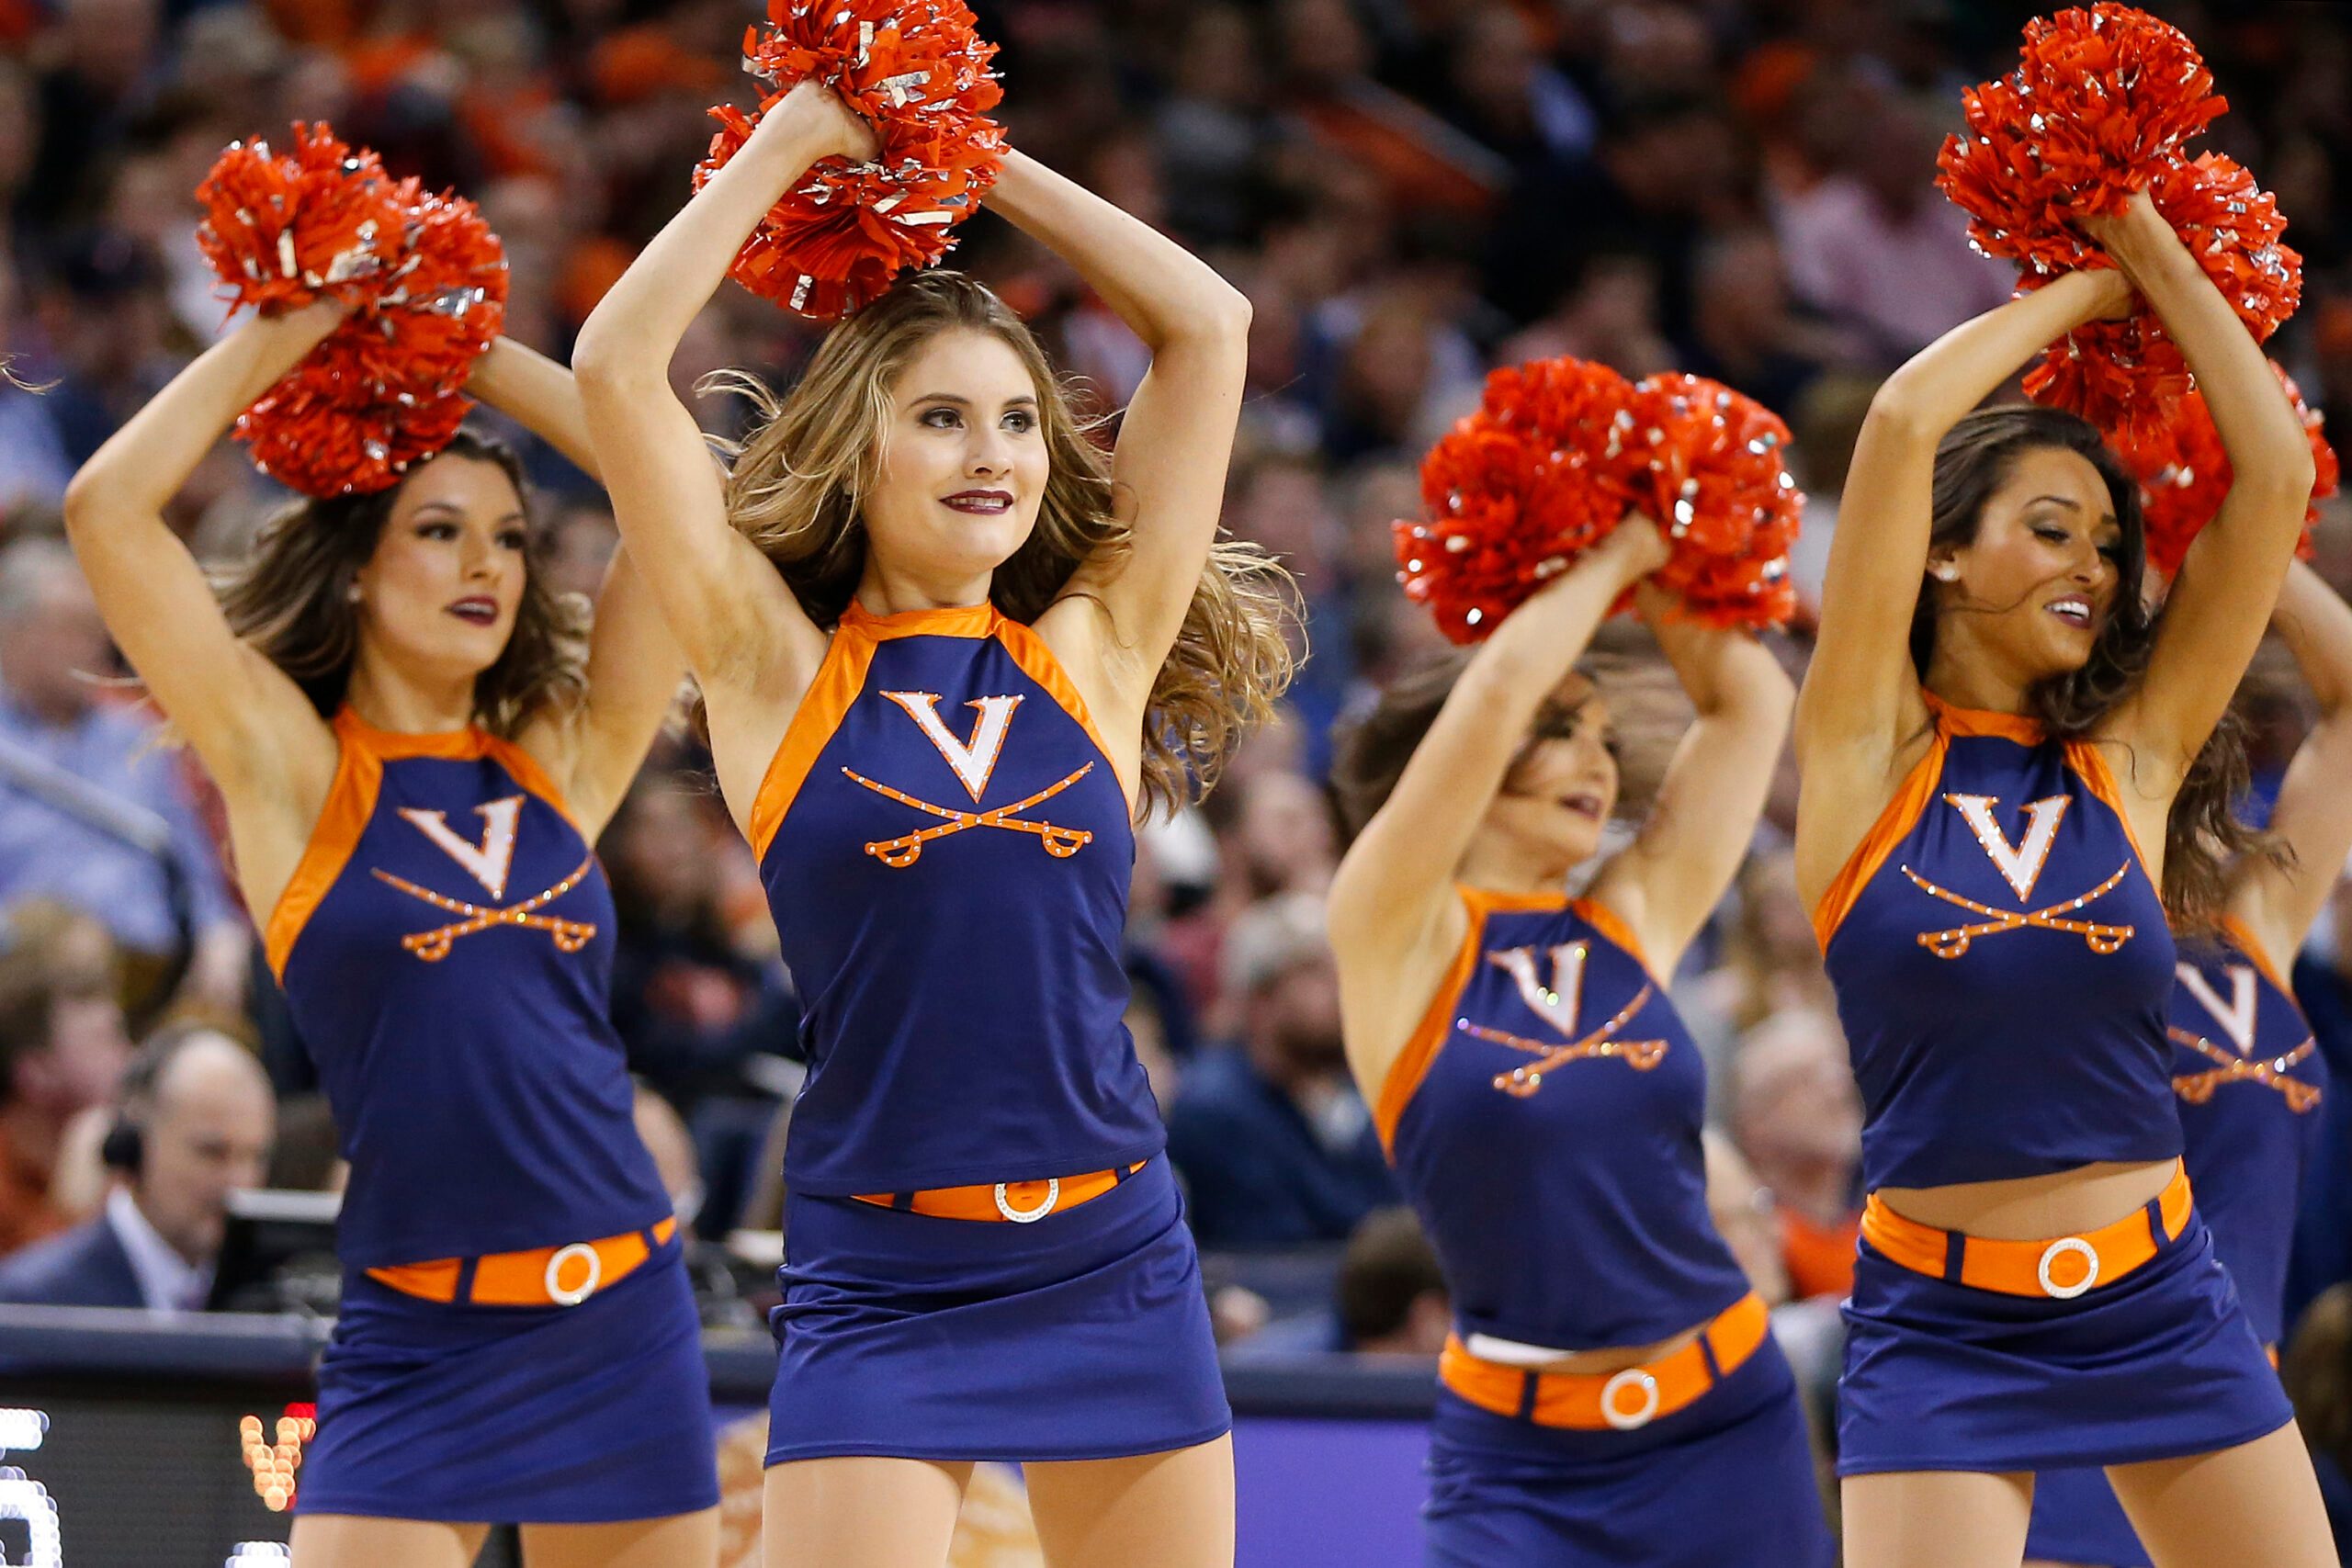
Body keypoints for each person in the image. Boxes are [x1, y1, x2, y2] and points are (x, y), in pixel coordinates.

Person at [572, 78, 1289, 1568]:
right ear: (858, 448)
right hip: (884, 1261)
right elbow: (619, 362)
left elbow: (1206, 325)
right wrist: (792, 147)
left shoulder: (1093, 648)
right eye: (944, 416)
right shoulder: (775, 665)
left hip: (1112, 1246)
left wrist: (973, 157)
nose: (996, 453)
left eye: (1022, 418)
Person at [62, 311, 718, 1566]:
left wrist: (458, 344)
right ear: (359, 561)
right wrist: (303, 325)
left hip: (623, 1321)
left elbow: (671, 472)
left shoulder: (558, 762)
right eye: (440, 528)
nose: (490, 565)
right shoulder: (295, 770)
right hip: (421, 1335)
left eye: (512, 538)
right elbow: (108, 508)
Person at [1793, 186, 2335, 1568]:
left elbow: (2272, 476)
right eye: (2049, 526)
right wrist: (2092, 293)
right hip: (1940, 1318)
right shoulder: (1864, 754)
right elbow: (1907, 425)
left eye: (2107, 540)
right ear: (1939, 548)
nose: (2093, 563)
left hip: (2162, 1294)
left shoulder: (2131, 765)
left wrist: (2163, 254)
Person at [1327, 525, 1833, 1564]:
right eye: (1563, 729)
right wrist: (1608, 551)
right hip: (1520, 1463)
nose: (1597, 761)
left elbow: (1751, 704)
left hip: (1727, 1425)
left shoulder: (1626, 917)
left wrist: (1680, 564)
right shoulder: (1390, 933)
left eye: (1604, 736)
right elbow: (1500, 686)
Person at [2025, 563, 2352, 1566]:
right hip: (2081, 1402)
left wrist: (2235, 533)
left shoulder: (2252, 931)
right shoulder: (2031, 946)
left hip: (2236, 1407)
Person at [0, 537, 249, 1018]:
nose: (98, 647)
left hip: (152, 971)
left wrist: (220, 934)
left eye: (98, 629)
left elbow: (189, 864)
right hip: (29, 983)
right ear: (15, 636)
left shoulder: (135, 733)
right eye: (73, 629)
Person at [1166, 891, 1396, 1247]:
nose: (1341, 990)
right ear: (1261, 999)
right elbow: (1279, 1249)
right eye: (1316, 973)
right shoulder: (1214, 1110)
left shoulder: (1351, 1091)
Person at [0, 1022, 272, 1309]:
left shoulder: (279, 1302)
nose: (239, 1181)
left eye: (255, 1156)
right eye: (212, 1152)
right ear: (135, 1145)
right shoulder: (34, 1302)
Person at [0, 898, 129, 1255]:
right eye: (86, 996)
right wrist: (72, 1214)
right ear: (34, 1070)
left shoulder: (135, 1146)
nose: (114, 1017)